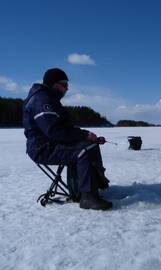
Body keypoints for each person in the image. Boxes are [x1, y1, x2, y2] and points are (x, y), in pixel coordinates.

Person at [23, 68, 112, 210]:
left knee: (90, 144)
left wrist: (87, 136)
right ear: (53, 84)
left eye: (67, 85)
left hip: (52, 143)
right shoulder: (42, 100)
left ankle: (95, 186)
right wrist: (83, 135)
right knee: (84, 151)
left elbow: (65, 127)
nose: (67, 88)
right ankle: (88, 197)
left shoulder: (50, 99)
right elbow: (53, 131)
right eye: (64, 84)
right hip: (42, 148)